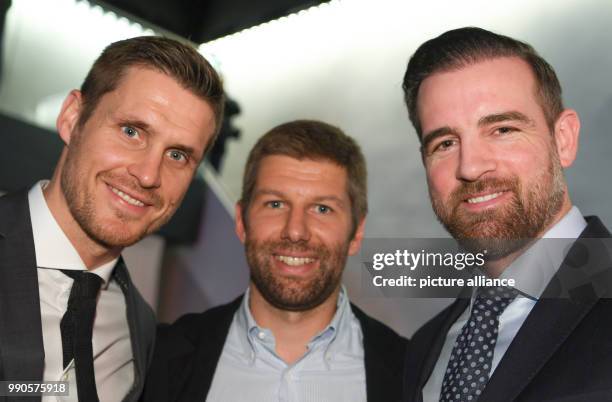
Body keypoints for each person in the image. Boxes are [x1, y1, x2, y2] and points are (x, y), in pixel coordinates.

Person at [0, 36, 224, 402]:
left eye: (178, 155)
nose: (149, 174)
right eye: (131, 131)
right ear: (73, 118)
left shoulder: (139, 328)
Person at [401, 27, 612, 402]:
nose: (471, 166)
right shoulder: (423, 349)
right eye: (446, 143)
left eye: (502, 129)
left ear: (563, 139)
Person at [143, 120, 408, 402]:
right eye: (275, 204)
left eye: (322, 208)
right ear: (242, 222)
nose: (295, 230)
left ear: (356, 233)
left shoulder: (412, 375)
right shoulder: (157, 359)